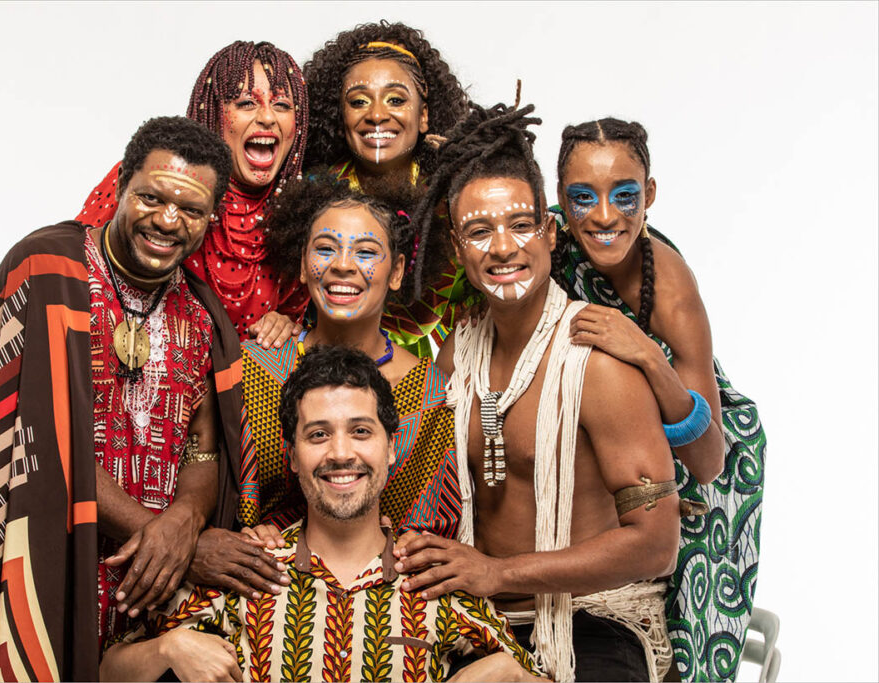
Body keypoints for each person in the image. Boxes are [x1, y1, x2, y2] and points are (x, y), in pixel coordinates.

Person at [0, 116, 249, 680]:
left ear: (210, 218)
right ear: (120, 185)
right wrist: (164, 537)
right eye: (151, 198)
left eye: (191, 210)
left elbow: (205, 448)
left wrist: (184, 520)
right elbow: (39, 440)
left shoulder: (202, 314)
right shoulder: (50, 269)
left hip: (153, 591)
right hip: (57, 554)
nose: (167, 221)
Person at [395, 103, 686, 682]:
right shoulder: (458, 351)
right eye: (480, 231)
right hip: (479, 621)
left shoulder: (600, 362)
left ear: (550, 232)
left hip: (595, 619)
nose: (503, 248)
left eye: (520, 225)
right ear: (457, 248)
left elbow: (656, 544)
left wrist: (498, 574)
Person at [100, 346, 541, 683]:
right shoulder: (247, 568)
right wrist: (168, 649)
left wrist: (511, 672)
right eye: (318, 435)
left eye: (360, 431)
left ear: (391, 448)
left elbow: (533, 675)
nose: (341, 453)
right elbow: (108, 670)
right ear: (292, 456)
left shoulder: (434, 578)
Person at [550, 118, 765, 682]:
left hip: (705, 438)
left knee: (683, 636)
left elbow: (709, 460)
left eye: (624, 195)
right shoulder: (547, 239)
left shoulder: (670, 287)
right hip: (625, 438)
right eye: (582, 197)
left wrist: (646, 355)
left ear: (649, 194)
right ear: (558, 200)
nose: (603, 216)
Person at [236, 177, 459, 554]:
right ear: (304, 266)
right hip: (262, 584)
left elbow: (432, 530)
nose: (342, 266)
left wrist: (411, 544)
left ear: (398, 271)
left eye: (366, 253)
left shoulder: (431, 394)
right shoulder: (254, 365)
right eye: (325, 249)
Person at [76, 41, 310, 343]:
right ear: (214, 113)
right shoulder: (152, 179)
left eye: (282, 105)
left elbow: (298, 313)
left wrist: (283, 323)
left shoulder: (304, 212)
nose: (267, 117)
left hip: (234, 385)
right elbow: (79, 267)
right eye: (246, 103)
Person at [302, 21, 471, 358]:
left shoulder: (456, 199)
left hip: (416, 376)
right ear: (340, 116)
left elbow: (475, 303)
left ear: (424, 116)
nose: (377, 114)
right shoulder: (309, 196)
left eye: (395, 99)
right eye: (359, 101)